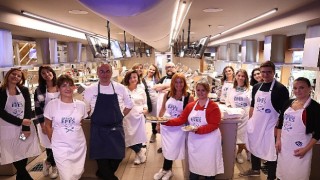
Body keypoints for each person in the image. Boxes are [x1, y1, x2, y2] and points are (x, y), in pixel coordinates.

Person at [163, 78, 224, 180]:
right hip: (195, 142)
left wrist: (197, 129)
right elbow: (181, 120)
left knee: (209, 168)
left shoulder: (213, 107)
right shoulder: (191, 106)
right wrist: (165, 122)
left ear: (208, 91)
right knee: (194, 168)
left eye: (203, 90)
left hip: (209, 142)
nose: (200, 93)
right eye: (198, 90)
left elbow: (214, 125)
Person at [83, 63, 133, 180]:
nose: (104, 74)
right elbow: (85, 108)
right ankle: (107, 176)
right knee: (102, 158)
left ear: (112, 73)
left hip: (116, 128)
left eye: (107, 71)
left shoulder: (120, 88)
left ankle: (102, 174)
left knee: (118, 157)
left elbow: (129, 105)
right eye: (101, 71)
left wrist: (120, 116)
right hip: (98, 130)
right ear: (97, 73)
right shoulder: (91, 90)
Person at [240, 61, 289, 180]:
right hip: (256, 124)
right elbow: (253, 105)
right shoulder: (257, 87)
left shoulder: (281, 89)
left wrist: (278, 130)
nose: (265, 75)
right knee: (254, 146)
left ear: (273, 72)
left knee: (271, 153)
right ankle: (255, 169)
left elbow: (284, 112)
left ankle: (271, 177)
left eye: (268, 72)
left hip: (270, 126)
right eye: (263, 72)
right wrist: (251, 121)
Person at [275, 77, 320, 180]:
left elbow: (318, 132)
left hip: (301, 147)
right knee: (282, 173)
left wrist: (306, 149)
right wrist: (278, 140)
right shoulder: (288, 103)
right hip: (284, 146)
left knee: (298, 174)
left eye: (301, 87)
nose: (297, 91)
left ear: (310, 88)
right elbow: (281, 122)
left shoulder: (315, 107)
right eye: (295, 88)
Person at [44, 75, 87, 180]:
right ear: (58, 88)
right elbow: (47, 125)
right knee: (67, 176)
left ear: (74, 87)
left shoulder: (81, 105)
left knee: (77, 173)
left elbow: (80, 122)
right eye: (64, 85)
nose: (68, 88)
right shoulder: (52, 105)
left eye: (70, 85)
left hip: (79, 145)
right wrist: (53, 141)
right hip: (60, 146)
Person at [0, 68, 40, 180]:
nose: (15, 77)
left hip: (24, 128)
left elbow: (27, 109)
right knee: (13, 150)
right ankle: (23, 174)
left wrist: (25, 127)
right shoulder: (1, 91)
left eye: (18, 76)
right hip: (7, 129)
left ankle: (21, 175)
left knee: (23, 149)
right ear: (8, 74)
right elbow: (1, 112)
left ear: (21, 79)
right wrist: (19, 121)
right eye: (14, 74)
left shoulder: (24, 90)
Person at [153, 73, 194, 180]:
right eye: (176, 82)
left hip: (178, 128)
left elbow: (190, 115)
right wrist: (158, 123)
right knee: (166, 149)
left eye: (181, 82)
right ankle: (167, 169)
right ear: (173, 83)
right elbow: (162, 109)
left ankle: (167, 169)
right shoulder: (168, 94)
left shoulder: (189, 97)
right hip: (166, 126)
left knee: (172, 149)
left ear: (184, 83)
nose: (178, 84)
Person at [34, 65, 59, 178]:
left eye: (48, 72)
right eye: (43, 73)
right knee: (50, 145)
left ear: (52, 73)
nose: (47, 75)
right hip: (46, 122)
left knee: (58, 145)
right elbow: (38, 108)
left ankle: (47, 162)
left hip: (59, 122)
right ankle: (54, 167)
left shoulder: (60, 86)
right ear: (41, 76)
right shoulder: (39, 90)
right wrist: (42, 124)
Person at [122, 70, 148, 165]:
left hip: (139, 115)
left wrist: (145, 110)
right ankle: (140, 152)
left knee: (139, 136)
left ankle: (137, 156)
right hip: (127, 116)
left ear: (138, 78)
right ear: (127, 79)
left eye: (135, 77)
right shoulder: (124, 89)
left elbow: (145, 103)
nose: (133, 79)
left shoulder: (141, 90)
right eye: (131, 77)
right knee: (128, 136)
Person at [226, 69, 251, 164]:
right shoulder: (231, 89)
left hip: (246, 117)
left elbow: (252, 103)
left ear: (246, 78)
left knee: (244, 137)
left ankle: (241, 153)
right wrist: (230, 110)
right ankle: (245, 152)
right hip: (235, 117)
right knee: (237, 137)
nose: (240, 78)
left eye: (243, 76)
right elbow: (228, 101)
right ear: (235, 76)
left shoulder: (250, 89)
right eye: (239, 75)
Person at [153, 62, 176, 152]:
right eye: (167, 67)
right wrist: (168, 86)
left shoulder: (177, 77)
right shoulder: (164, 78)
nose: (169, 69)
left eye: (171, 67)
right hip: (161, 105)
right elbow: (155, 87)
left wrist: (163, 87)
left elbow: (176, 87)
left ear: (175, 68)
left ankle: (172, 147)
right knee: (163, 126)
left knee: (171, 127)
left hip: (171, 107)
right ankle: (164, 146)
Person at [144, 64, 161, 143]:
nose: (151, 71)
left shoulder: (157, 79)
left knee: (154, 118)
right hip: (145, 100)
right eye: (150, 69)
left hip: (154, 100)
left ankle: (154, 134)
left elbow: (160, 88)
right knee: (144, 118)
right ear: (148, 69)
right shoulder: (142, 79)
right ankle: (142, 135)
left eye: (153, 70)